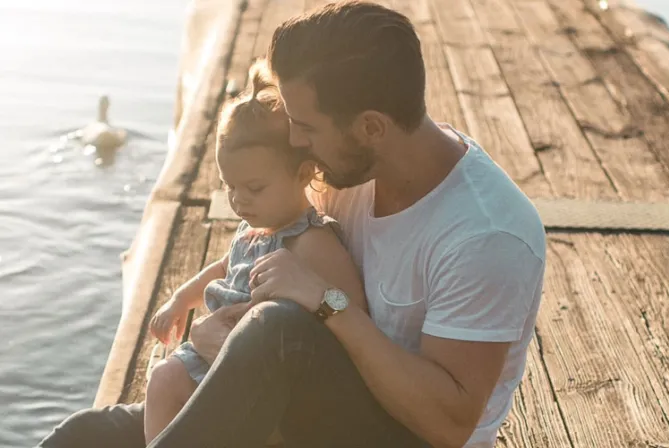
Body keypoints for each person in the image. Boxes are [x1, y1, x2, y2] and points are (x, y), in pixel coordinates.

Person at [36, 2, 546, 447]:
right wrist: (226, 341)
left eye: (306, 128)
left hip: (398, 434)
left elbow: (447, 426)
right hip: (294, 399)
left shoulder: (486, 234)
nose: (296, 146)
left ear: (371, 127)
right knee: (83, 438)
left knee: (277, 330)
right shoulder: (349, 170)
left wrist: (327, 303)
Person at [142, 62, 366, 444]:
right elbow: (222, 268)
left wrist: (315, 309)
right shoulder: (254, 230)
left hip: (263, 368)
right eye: (230, 186)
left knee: (165, 382)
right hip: (224, 352)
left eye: (255, 187)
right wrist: (181, 299)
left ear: (302, 173)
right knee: (162, 382)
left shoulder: (310, 241)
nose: (239, 200)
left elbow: (352, 310)